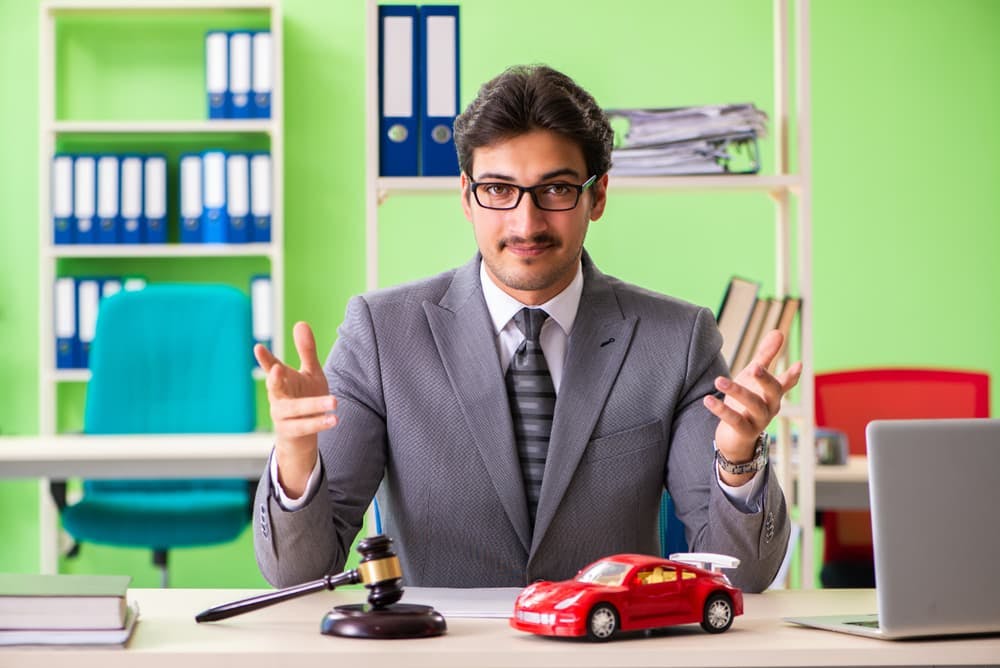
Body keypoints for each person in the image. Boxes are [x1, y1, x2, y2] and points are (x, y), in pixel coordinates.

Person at [252, 64, 802, 593]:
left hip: (606, 647)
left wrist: (737, 458)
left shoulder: (677, 341)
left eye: (557, 189)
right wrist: (298, 455)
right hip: (442, 652)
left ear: (598, 195)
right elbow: (298, 572)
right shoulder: (381, 334)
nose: (526, 222)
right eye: (498, 189)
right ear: (467, 196)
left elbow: (743, 576)